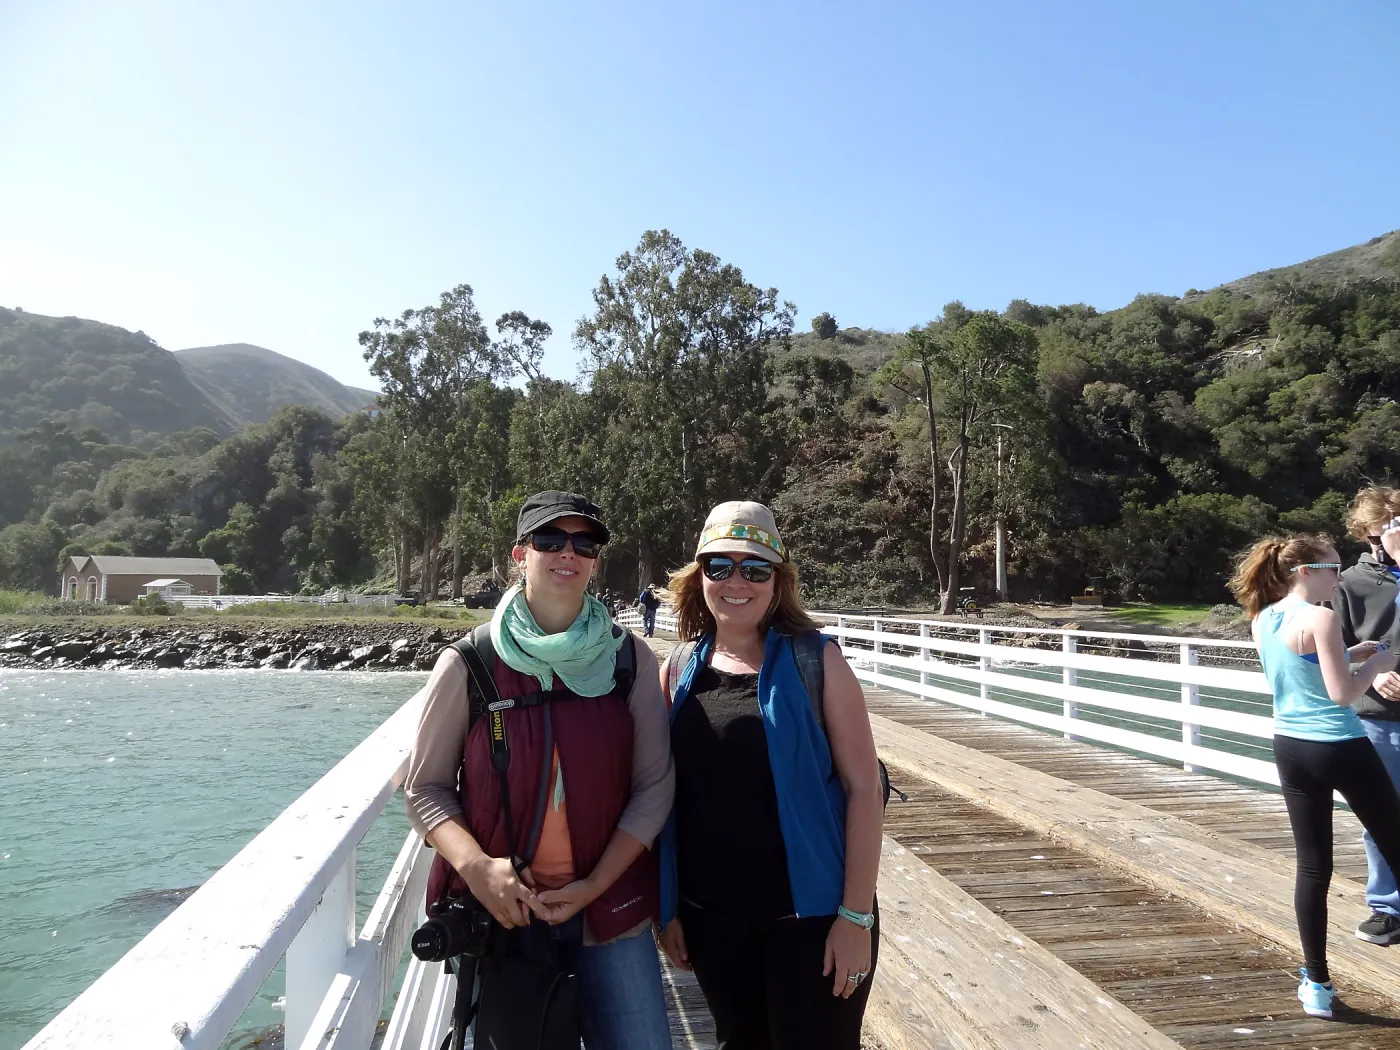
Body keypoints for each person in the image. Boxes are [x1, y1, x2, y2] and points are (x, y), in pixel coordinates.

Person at [404, 490, 675, 1049]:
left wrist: (596, 884)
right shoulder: (472, 663)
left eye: (585, 542)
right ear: (519, 554)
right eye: (550, 540)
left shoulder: (630, 661)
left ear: (596, 559)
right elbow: (424, 788)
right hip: (507, 914)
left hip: (610, 911)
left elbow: (654, 786)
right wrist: (478, 867)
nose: (567, 553)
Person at [656, 500, 883, 1049]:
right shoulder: (677, 670)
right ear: (699, 577)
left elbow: (863, 790)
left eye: (756, 569)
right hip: (713, 922)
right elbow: (665, 800)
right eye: (721, 566)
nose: (738, 582)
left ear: (777, 583)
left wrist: (855, 919)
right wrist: (668, 909)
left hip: (811, 919)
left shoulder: (819, 663)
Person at [1229, 533, 1400, 1019]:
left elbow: (1300, 670)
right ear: (1306, 572)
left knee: (1312, 867)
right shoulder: (1322, 617)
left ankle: (1316, 983)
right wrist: (1380, 663)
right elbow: (1342, 694)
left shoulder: (1263, 616)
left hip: (1292, 747)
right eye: (1333, 567)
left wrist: (1353, 653)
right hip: (1340, 745)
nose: (1340, 576)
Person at [1334, 488, 1400, 945]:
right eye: (1380, 535)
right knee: (1383, 815)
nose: (1389, 542)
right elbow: (1329, 654)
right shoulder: (1350, 583)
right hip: (1379, 719)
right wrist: (1369, 673)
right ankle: (1388, 907)